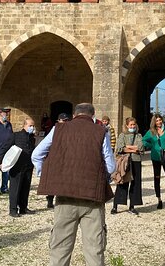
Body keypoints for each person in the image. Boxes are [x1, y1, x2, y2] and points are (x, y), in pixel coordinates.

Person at [32, 103, 115, 266]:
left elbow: (36, 155)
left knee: (60, 248)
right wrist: (100, 177)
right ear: (93, 116)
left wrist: (48, 174)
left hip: (65, 196)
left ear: (74, 115)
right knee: (94, 250)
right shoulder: (100, 131)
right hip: (92, 197)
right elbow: (111, 166)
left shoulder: (59, 129)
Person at [142, 114, 165, 209]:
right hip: (156, 157)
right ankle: (159, 200)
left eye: (160, 120)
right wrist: (151, 146)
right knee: (157, 178)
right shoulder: (151, 132)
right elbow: (143, 140)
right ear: (154, 122)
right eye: (157, 120)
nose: (159, 122)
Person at [111, 117, 144, 215]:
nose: (132, 126)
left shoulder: (139, 135)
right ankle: (115, 205)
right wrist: (134, 149)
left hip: (136, 161)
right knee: (122, 182)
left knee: (135, 183)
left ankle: (132, 206)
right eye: (131, 125)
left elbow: (141, 147)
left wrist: (128, 147)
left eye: (134, 124)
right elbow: (120, 148)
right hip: (125, 161)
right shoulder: (122, 135)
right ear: (127, 125)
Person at [8, 117, 36, 217]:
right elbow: (6, 148)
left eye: (33, 126)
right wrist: (1, 161)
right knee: (15, 188)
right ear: (24, 125)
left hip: (28, 166)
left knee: (25, 187)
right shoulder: (16, 136)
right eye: (30, 125)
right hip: (17, 166)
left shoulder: (32, 137)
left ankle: (23, 208)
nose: (32, 127)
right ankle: (13, 209)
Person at [45, 112, 72, 209]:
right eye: (63, 120)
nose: (65, 122)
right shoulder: (54, 130)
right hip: (55, 157)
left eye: (66, 120)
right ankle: (50, 199)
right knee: (53, 179)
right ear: (58, 121)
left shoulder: (70, 131)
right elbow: (45, 146)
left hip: (66, 157)